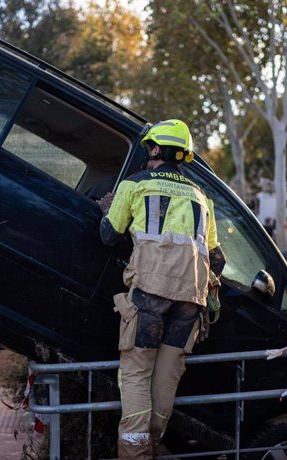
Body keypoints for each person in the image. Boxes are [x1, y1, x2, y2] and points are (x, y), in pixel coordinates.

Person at [98, 119, 225, 458]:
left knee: (137, 373)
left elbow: (108, 236)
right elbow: (218, 260)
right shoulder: (202, 197)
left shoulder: (135, 185)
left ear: (155, 149)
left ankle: (136, 451)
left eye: (148, 148)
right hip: (190, 302)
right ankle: (154, 440)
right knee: (167, 375)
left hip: (150, 295)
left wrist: (108, 210)